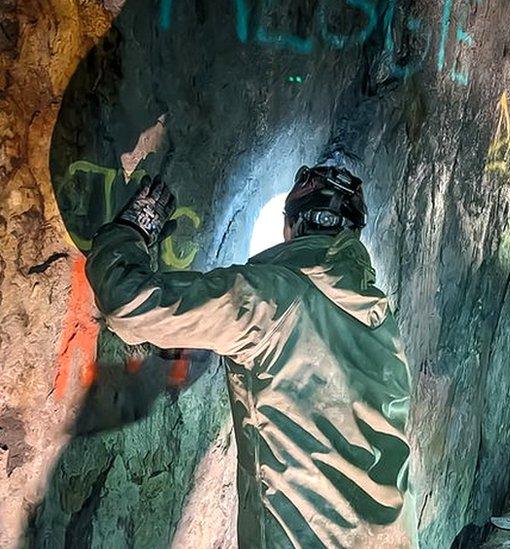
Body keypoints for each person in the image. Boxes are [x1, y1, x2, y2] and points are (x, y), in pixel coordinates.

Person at [85, 165, 415, 548]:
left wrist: (131, 232)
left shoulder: (272, 298)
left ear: (290, 227)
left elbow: (128, 301)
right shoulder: (380, 320)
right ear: (354, 235)